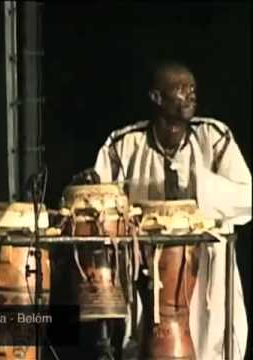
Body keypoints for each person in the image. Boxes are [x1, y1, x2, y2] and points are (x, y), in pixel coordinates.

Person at [74, 61, 251, 359]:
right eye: (182, 89)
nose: (192, 95)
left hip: (205, 272)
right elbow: (98, 202)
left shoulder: (214, 138)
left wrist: (200, 187)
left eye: (193, 88)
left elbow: (247, 197)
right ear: (157, 98)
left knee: (211, 343)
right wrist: (90, 186)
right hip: (145, 278)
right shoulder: (124, 144)